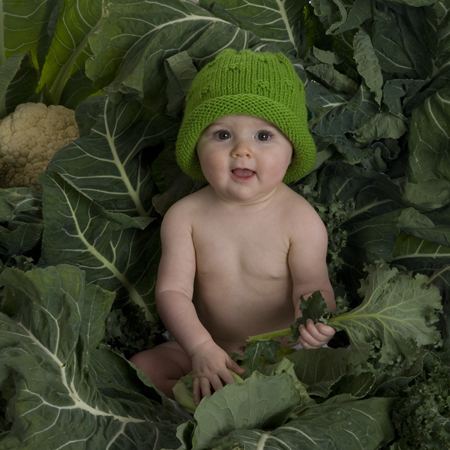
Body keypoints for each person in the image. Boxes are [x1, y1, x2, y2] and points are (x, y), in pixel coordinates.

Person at [130, 49, 336, 405]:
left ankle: (219, 408)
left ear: (292, 151)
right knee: (143, 369)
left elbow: (312, 287)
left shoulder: (301, 220)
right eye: (223, 135)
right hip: (204, 342)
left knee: (327, 375)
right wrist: (199, 348)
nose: (242, 150)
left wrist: (313, 325)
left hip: (281, 351)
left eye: (264, 137)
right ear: (196, 147)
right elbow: (172, 293)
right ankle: (207, 405)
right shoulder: (185, 216)